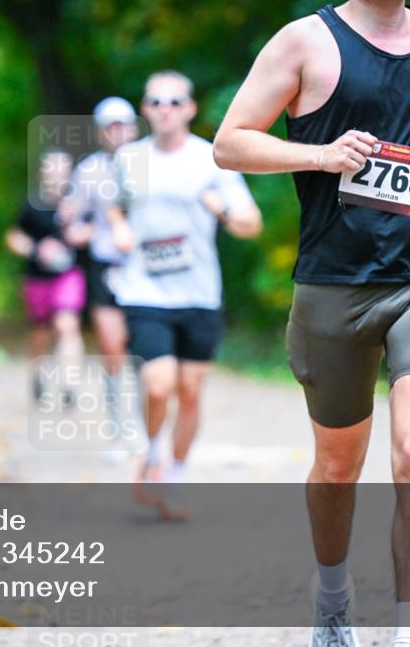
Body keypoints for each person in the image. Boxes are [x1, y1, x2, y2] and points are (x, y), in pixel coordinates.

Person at [213, 0, 410, 646]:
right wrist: (321, 154)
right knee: (338, 466)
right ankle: (333, 599)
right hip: (334, 283)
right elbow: (229, 143)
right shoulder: (304, 42)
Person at [108, 70, 262, 519]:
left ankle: (174, 476)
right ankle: (153, 450)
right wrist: (119, 228)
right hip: (144, 289)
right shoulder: (129, 158)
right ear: (145, 109)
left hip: (198, 293)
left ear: (191, 109)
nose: (165, 109)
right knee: (159, 384)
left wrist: (223, 208)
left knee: (190, 393)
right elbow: (114, 203)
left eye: (175, 102)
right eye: (156, 101)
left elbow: (251, 225)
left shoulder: (211, 160)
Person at [70, 97, 140, 451]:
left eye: (123, 125)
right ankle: (118, 428)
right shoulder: (87, 171)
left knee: (144, 345)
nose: (118, 132)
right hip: (104, 265)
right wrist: (74, 232)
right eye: (111, 126)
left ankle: (143, 426)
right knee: (112, 348)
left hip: (143, 266)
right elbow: (73, 218)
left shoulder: (149, 164)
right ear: (101, 132)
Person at [6, 149, 89, 402]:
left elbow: (93, 230)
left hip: (68, 275)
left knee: (68, 324)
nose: (57, 175)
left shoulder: (78, 203)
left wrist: (76, 232)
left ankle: (69, 384)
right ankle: (38, 375)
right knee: (40, 334)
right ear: (43, 173)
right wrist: (35, 249)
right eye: (51, 170)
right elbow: (14, 236)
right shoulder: (32, 204)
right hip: (37, 279)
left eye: (62, 169)